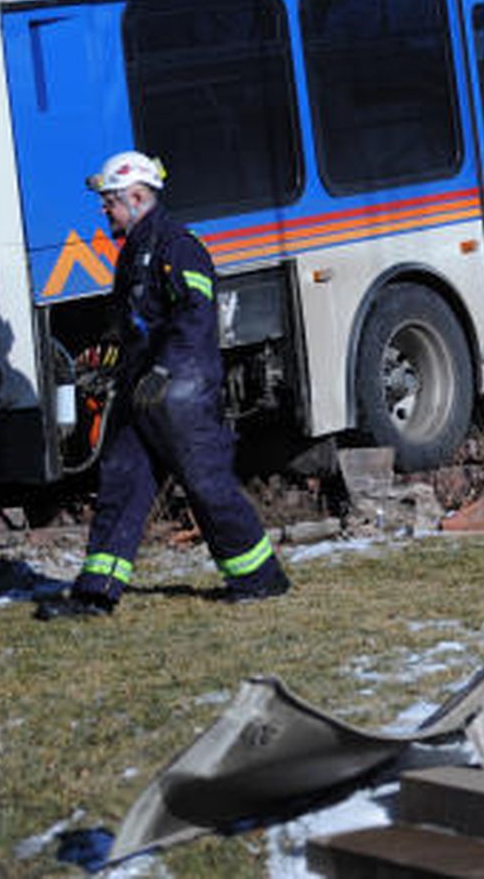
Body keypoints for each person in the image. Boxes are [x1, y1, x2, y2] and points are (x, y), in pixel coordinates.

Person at [36, 151, 290, 619]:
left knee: (206, 484)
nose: (104, 209)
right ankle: (96, 593)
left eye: (110, 200)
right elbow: (138, 320)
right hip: (144, 390)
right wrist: (116, 356)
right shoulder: (137, 249)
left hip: (181, 393)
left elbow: (196, 314)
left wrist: (164, 371)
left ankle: (259, 578)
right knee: (122, 480)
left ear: (137, 197)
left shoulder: (178, 246)